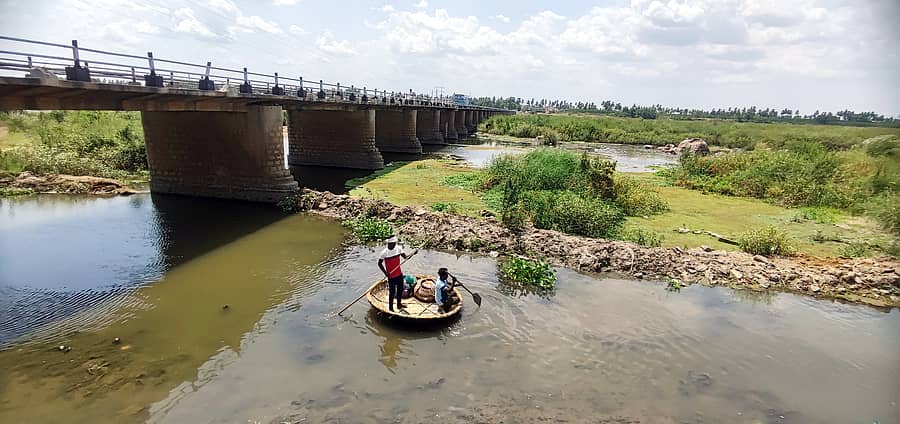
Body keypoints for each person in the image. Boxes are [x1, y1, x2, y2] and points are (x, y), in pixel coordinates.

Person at [378, 235, 414, 312]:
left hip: (399, 274)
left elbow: (406, 257)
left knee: (400, 290)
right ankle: (391, 308)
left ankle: (399, 304)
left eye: (394, 243)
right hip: (391, 276)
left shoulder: (398, 249)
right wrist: (385, 273)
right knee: (392, 293)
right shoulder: (384, 253)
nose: (393, 245)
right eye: (391, 244)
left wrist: (413, 253)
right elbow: (379, 263)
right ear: (389, 243)